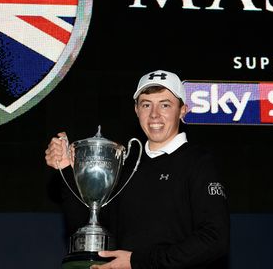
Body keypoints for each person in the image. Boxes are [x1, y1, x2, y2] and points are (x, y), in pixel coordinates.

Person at [45, 70, 230, 269]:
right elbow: (87, 225)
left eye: (165, 105)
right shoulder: (126, 165)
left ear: (182, 110)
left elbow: (215, 239)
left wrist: (138, 261)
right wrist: (66, 169)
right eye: (146, 104)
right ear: (136, 110)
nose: (154, 115)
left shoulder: (198, 162)